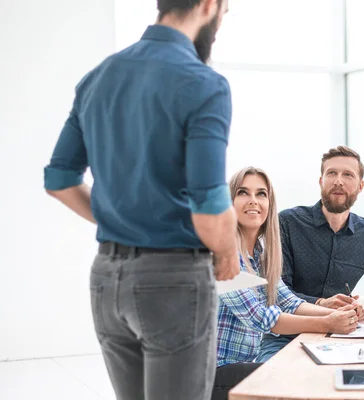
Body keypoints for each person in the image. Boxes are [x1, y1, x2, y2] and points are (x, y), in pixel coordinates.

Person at [43, 1, 237, 399]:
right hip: (172, 283)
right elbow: (208, 207)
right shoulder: (204, 84)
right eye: (225, 10)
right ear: (208, 6)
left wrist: (124, 218)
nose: (222, 20)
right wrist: (227, 249)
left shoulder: (98, 77)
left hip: (106, 280)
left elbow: (60, 180)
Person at [211, 167, 364, 400]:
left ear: (269, 204)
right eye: (243, 192)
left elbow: (289, 302)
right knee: (298, 378)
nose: (253, 201)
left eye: (261, 194)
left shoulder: (261, 255)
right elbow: (261, 318)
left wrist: (341, 312)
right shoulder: (223, 255)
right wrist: (328, 323)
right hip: (213, 374)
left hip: (243, 365)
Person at [256, 145, 364, 363]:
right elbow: (277, 294)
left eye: (347, 175)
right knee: (268, 382)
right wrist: (321, 303)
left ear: (360, 186)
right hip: (284, 336)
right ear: (321, 181)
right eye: (332, 173)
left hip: (340, 335)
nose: (338, 181)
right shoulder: (287, 222)